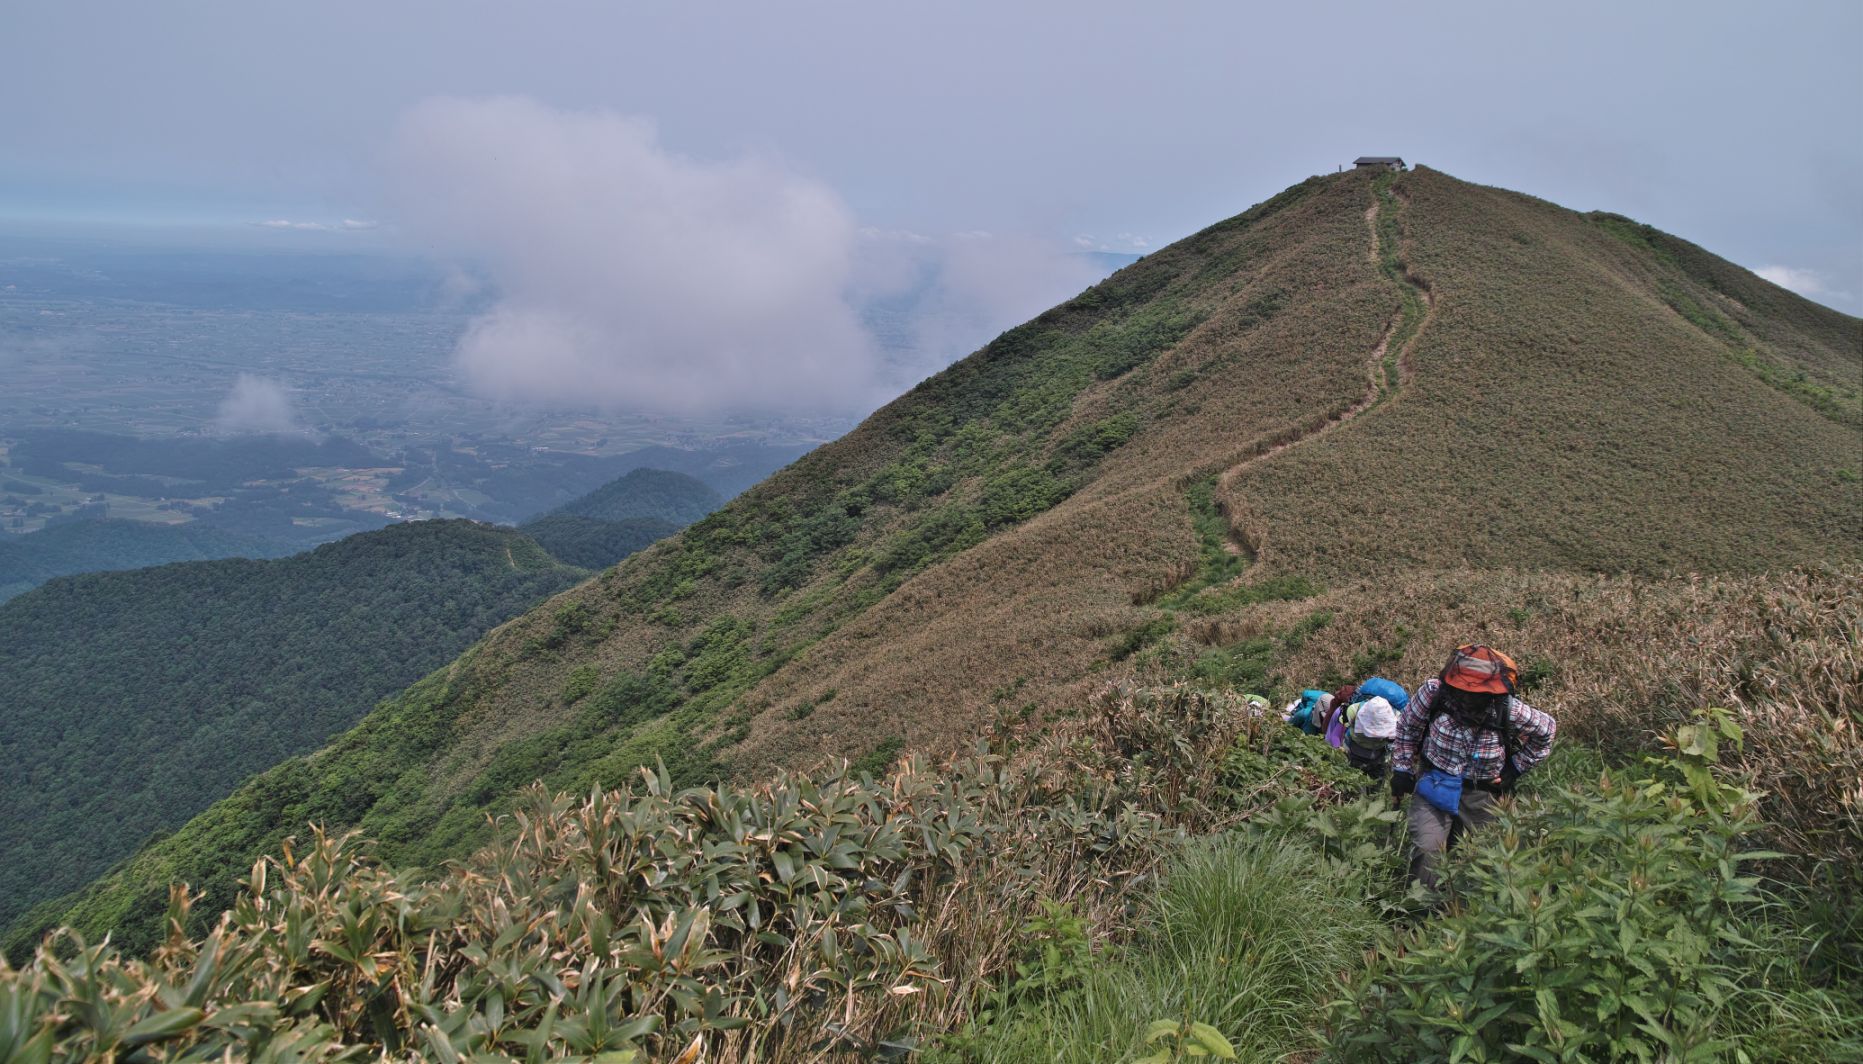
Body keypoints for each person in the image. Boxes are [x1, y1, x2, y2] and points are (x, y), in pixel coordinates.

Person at [1389, 644, 1556, 893]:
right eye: (1462, 690)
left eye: (1477, 693)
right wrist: (1402, 769)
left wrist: (1515, 768)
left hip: (1482, 793)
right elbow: (1407, 727)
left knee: (1478, 856)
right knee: (1428, 849)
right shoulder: (1434, 694)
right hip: (1434, 783)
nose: (1468, 696)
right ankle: (1419, 912)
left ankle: (1464, 912)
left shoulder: (1507, 709)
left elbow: (1547, 731)